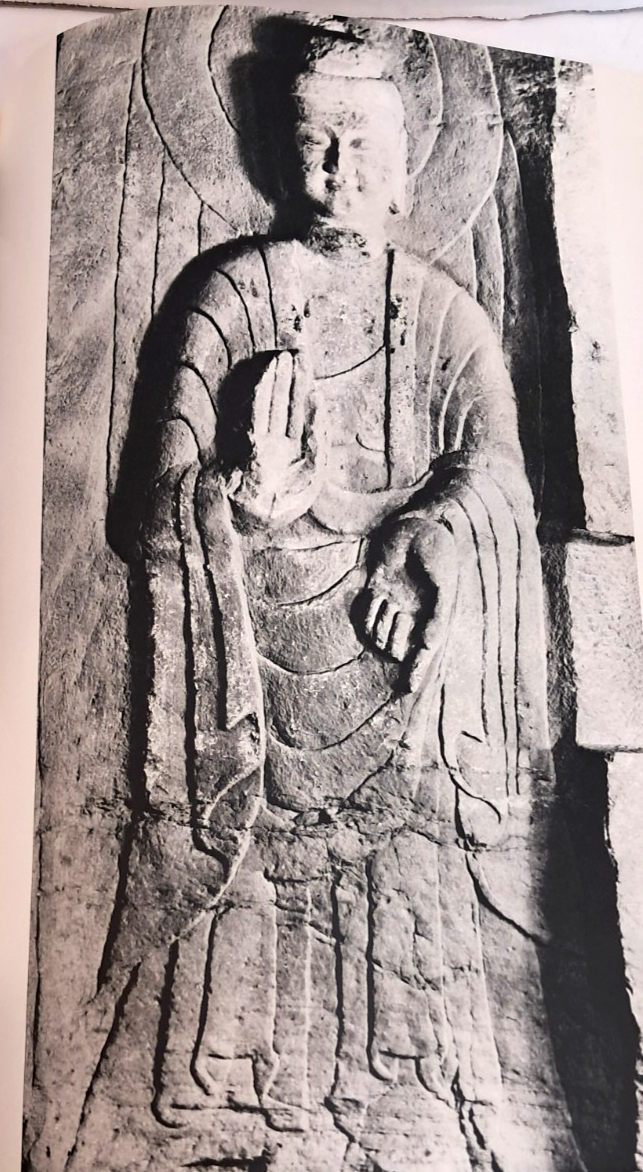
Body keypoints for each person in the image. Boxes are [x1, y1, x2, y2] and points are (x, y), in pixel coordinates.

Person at [68, 22, 558, 1172]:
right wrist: (236, 497)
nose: (337, 166)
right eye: (312, 140)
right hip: (252, 666)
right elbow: (149, 513)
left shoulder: (440, 317)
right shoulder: (229, 296)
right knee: (244, 913)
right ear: (275, 153)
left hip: (396, 667)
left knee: (405, 897)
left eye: (361, 140)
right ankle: (222, 1089)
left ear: (408, 160)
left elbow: (498, 479)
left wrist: (427, 537)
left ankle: (411, 1097)